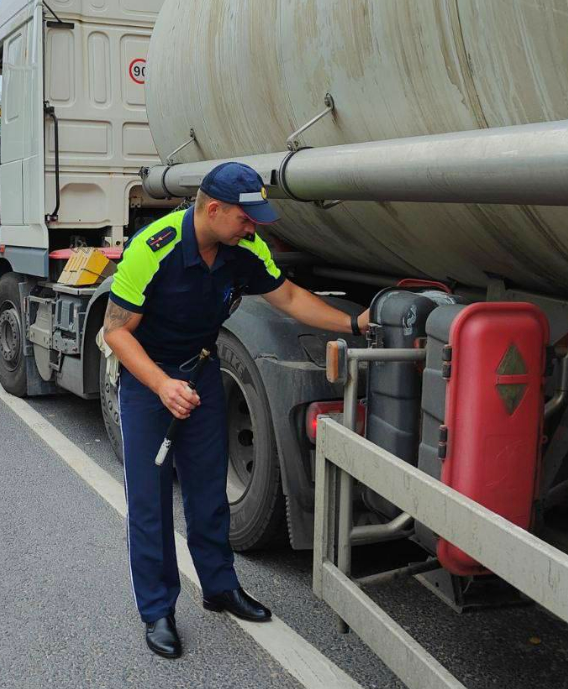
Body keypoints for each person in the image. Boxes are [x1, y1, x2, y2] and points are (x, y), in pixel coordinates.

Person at [103, 162, 370, 659]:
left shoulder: (244, 249)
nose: (255, 227)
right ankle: (158, 609)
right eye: (246, 218)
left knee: (209, 491)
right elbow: (116, 331)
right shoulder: (152, 248)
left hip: (200, 372)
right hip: (149, 381)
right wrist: (162, 385)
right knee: (149, 500)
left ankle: (220, 587)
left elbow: (288, 296)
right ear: (213, 209)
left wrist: (355, 325)